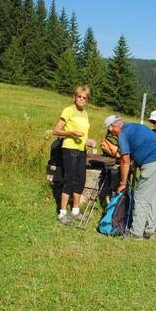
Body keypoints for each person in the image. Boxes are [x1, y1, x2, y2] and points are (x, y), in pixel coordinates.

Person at [104, 115, 156, 239]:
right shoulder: (136, 127)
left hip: (152, 163)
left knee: (141, 197)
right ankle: (150, 231)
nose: (112, 134)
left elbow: (125, 160)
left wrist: (123, 183)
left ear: (114, 126)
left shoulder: (122, 133)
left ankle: (136, 233)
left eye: (110, 131)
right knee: (155, 198)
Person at [52, 86, 93, 226]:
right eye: (79, 96)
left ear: (87, 99)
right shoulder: (69, 110)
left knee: (80, 180)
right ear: (75, 97)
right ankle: (62, 213)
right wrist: (72, 133)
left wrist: (88, 141)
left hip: (81, 150)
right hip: (70, 149)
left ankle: (75, 211)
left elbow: (83, 134)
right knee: (69, 180)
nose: (81, 99)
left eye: (84, 97)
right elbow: (56, 130)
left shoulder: (85, 113)